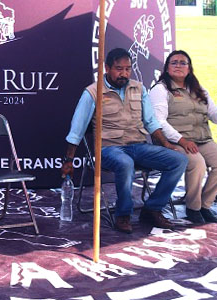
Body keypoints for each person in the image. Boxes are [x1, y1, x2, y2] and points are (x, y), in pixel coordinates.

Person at [60, 47, 188, 233]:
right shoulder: (92, 92)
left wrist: (167, 145)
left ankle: (152, 208)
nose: (124, 74)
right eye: (119, 69)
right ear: (107, 68)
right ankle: (123, 215)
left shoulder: (139, 88)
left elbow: (151, 123)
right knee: (125, 163)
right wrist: (69, 159)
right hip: (108, 148)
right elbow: (76, 130)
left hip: (138, 145)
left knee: (179, 159)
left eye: (128, 69)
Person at [148, 50, 217, 224]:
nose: (178, 66)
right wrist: (181, 140)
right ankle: (193, 208)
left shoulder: (198, 89)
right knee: (197, 163)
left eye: (183, 63)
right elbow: (159, 122)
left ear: (189, 69)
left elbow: (214, 115)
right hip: (175, 141)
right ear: (166, 68)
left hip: (202, 139)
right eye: (174, 62)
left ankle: (205, 205)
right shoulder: (161, 89)